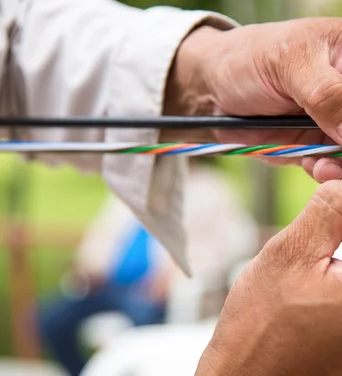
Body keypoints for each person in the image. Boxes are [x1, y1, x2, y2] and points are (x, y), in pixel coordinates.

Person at [0, 0, 342, 375]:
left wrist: (207, 68)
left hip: (149, 299)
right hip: (113, 292)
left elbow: (18, 45)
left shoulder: (211, 191)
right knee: (54, 318)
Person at [38, 160, 257, 375]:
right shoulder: (131, 185)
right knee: (51, 319)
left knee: (140, 326)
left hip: (154, 294)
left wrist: (177, 273)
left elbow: (237, 242)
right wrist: (89, 267)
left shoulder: (212, 189)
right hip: (107, 286)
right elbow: (102, 237)